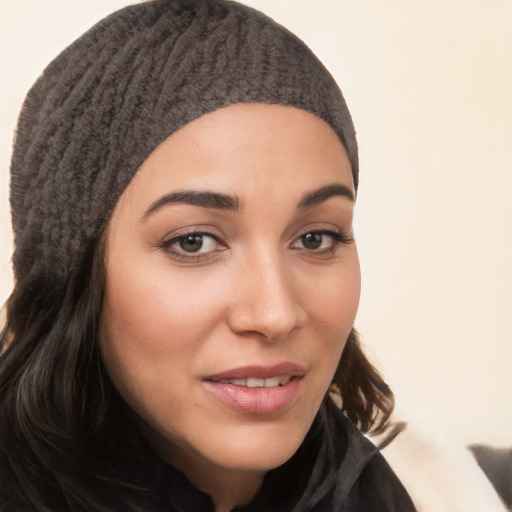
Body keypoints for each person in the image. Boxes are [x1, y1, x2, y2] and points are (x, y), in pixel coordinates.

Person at [0, 1, 417, 510]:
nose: (275, 314)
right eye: (193, 241)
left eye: (316, 238)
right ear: (71, 276)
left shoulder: (378, 492)